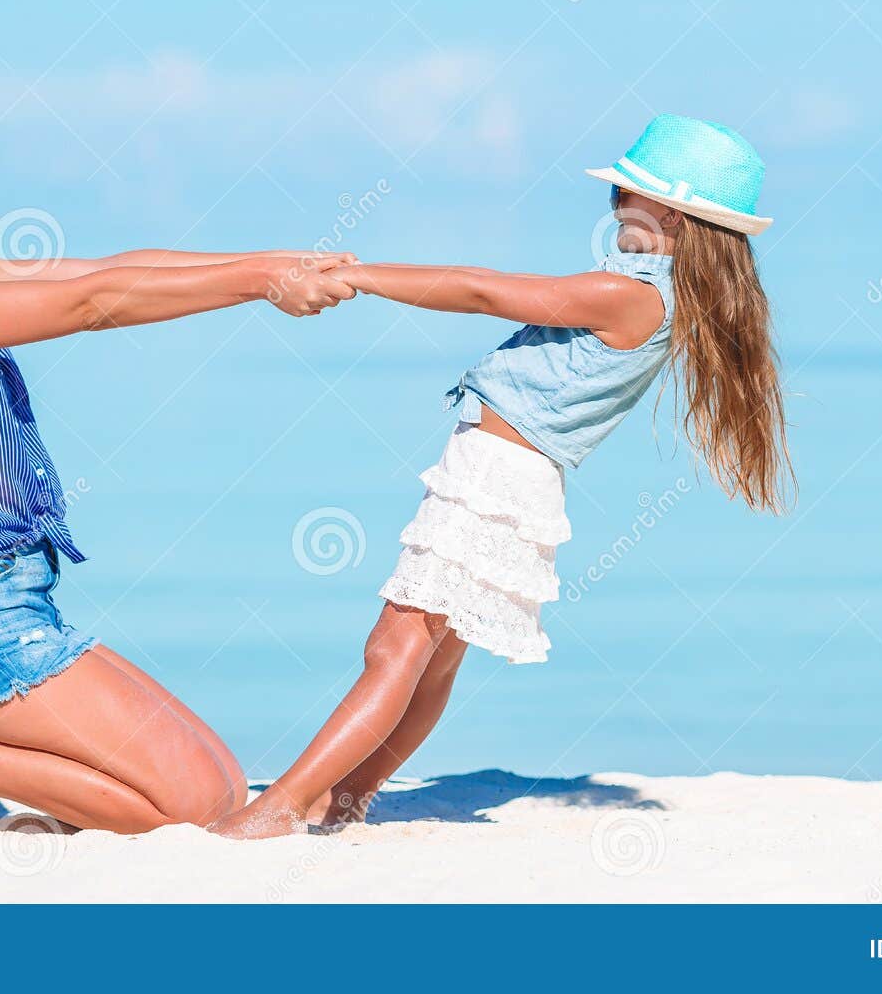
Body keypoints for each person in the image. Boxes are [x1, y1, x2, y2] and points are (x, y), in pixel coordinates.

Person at [0, 61, 355, 837]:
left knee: (217, 784)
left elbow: (111, 270)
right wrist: (260, 283)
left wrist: (275, 263)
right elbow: (90, 307)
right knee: (194, 807)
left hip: (7, 604)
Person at [210, 114, 794, 838]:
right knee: (433, 658)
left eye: (623, 194)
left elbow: (485, 291)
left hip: (493, 474)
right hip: (518, 479)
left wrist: (359, 275)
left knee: (395, 648)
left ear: (669, 212)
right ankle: (348, 797)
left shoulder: (630, 296)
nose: (613, 203)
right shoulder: (659, 294)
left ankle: (280, 806)